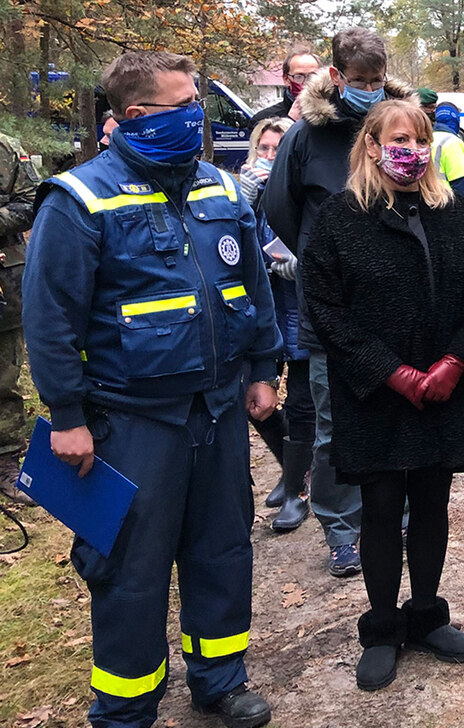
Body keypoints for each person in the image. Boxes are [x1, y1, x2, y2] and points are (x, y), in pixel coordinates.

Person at [23, 50, 282, 728]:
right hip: (128, 422)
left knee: (222, 549)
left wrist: (261, 369)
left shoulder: (221, 190)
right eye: (185, 104)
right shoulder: (79, 199)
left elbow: (250, 289)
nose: (198, 115)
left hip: (219, 409)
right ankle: (126, 705)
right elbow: (49, 319)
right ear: (137, 116)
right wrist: (67, 415)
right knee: (130, 571)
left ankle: (219, 679)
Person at [301, 99, 464, 691]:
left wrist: (455, 362)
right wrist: (392, 373)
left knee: (433, 504)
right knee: (384, 509)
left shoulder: (454, 214)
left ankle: (426, 615)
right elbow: (326, 310)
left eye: (419, 139)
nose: (409, 150)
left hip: (444, 391)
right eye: (397, 138)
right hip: (376, 396)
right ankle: (383, 627)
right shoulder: (341, 218)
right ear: (370, 145)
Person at [264, 27, 416, 577]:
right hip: (333, 308)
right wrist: (325, 257)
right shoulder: (307, 137)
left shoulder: (400, 127)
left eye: (377, 82)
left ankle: (398, 515)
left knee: (397, 414)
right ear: (336, 77)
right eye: (359, 82)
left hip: (398, 304)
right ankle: (342, 529)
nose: (370, 90)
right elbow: (281, 209)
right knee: (336, 425)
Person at [239, 117, 314, 533]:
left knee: (303, 404)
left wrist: (303, 268)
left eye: (278, 149)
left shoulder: (304, 190)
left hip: (301, 311)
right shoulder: (242, 196)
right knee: (256, 400)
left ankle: (296, 492)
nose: (270, 157)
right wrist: (244, 199)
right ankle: (296, 469)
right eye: (263, 149)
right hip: (260, 316)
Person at [0, 132, 38, 457]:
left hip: (4, 278)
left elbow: (31, 202)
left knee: (3, 376)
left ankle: (7, 457)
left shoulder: (6, 148)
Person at [431, 101, 464, 232]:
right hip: (451, 209)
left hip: (429, 207)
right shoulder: (452, 143)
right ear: (456, 119)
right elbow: (462, 184)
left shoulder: (425, 140)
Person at [250, 44, 321, 129]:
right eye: (299, 76)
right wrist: (290, 121)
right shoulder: (263, 120)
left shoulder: (334, 115)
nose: (306, 83)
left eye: (312, 76)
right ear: (286, 79)